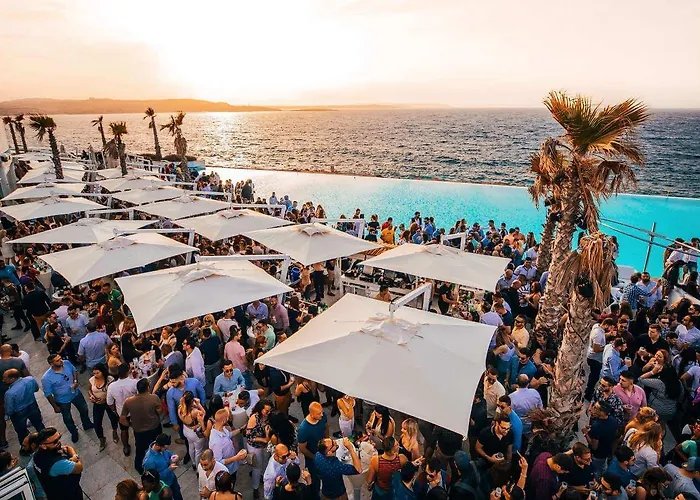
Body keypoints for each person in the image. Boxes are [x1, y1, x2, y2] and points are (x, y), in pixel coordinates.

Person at [40, 354, 93, 443]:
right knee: (67, 417)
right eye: (57, 360)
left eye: (60, 358)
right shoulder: (46, 378)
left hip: (75, 393)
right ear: (51, 364)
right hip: (62, 400)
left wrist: (75, 381)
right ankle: (74, 432)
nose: (61, 361)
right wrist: (55, 406)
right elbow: (48, 394)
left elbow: (74, 371)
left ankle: (87, 424)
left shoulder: (67, 363)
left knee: (84, 409)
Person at [122, 378, 163, 474]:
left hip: (139, 431)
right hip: (154, 428)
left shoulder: (129, 401)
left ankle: (139, 467)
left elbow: (122, 419)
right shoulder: (154, 398)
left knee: (140, 450)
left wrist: (131, 425)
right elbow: (159, 411)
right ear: (147, 387)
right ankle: (158, 463)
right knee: (158, 444)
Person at [32, 427, 84, 500]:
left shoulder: (38, 455)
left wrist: (74, 456)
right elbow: (79, 467)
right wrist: (75, 457)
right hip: (69, 495)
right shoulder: (58, 463)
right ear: (43, 445)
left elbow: (68, 448)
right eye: (55, 441)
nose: (59, 442)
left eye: (59, 437)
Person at [3, 368, 44, 445]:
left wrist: (7, 415)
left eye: (5, 378)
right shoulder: (30, 380)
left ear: (12, 379)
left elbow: (9, 410)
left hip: (19, 412)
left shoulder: (9, 393)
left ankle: (26, 447)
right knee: (39, 424)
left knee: (22, 432)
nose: (3, 380)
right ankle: (46, 439)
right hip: (32, 405)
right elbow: (36, 389)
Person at [0, 343, 29, 448]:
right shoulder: (18, 361)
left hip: (3, 396)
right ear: (11, 351)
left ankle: (3, 440)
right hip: (22, 393)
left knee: (6, 418)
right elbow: (27, 376)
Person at [210, 408, 248, 487]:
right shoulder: (216, 442)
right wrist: (236, 457)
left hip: (232, 467)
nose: (230, 418)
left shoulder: (221, 429)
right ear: (224, 421)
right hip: (227, 471)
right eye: (228, 417)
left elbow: (229, 435)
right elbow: (218, 461)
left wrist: (241, 429)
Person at [297, 401, 328, 497]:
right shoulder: (303, 429)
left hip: (324, 452)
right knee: (315, 479)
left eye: (321, 412)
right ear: (311, 414)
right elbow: (302, 448)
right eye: (319, 413)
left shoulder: (322, 417)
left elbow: (326, 427)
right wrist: (315, 457)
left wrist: (327, 441)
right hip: (312, 458)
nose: (321, 415)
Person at [107, 362, 138, 456]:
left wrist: (115, 411)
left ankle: (125, 447)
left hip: (121, 413)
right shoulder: (134, 383)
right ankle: (139, 444)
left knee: (123, 430)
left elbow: (110, 403)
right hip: (135, 411)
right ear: (128, 371)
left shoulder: (112, 386)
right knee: (137, 429)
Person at [87, 362, 119, 451]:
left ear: (103, 371)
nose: (95, 375)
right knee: (97, 423)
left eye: (98, 373)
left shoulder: (110, 379)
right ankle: (101, 439)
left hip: (109, 403)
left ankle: (115, 432)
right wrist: (91, 396)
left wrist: (105, 398)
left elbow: (114, 391)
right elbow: (89, 389)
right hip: (97, 404)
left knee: (113, 418)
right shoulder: (92, 380)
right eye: (94, 373)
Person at [142, 433, 182, 500]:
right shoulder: (149, 461)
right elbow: (154, 478)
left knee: (178, 495)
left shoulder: (161, 446)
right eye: (165, 448)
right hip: (164, 486)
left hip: (172, 478)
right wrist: (169, 469)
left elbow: (167, 452)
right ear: (158, 446)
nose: (166, 449)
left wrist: (173, 455)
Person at [247, 400, 274, 497]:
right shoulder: (254, 418)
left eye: (270, 410)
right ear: (261, 409)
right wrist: (264, 439)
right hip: (255, 446)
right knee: (257, 467)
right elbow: (249, 436)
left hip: (265, 445)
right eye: (266, 411)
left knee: (266, 462)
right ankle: (255, 487)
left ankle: (263, 477)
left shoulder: (270, 417)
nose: (268, 413)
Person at [584, 401, 619, 477]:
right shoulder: (613, 420)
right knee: (603, 467)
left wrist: (585, 433)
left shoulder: (597, 426)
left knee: (596, 471)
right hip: (607, 451)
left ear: (602, 412)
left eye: (595, 408)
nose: (592, 409)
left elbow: (594, 446)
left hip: (597, 455)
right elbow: (615, 435)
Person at [585, 319, 615, 401]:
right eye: (610, 327)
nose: (610, 329)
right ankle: (588, 393)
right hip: (595, 359)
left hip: (593, 357)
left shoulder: (597, 326)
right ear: (606, 325)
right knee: (593, 377)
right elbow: (596, 349)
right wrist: (607, 347)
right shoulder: (597, 334)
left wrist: (609, 334)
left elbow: (602, 336)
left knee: (593, 376)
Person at [179, 390, 207, 468]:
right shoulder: (194, 412)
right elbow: (204, 413)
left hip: (186, 429)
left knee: (191, 446)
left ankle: (193, 463)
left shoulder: (180, 408)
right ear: (192, 401)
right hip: (195, 433)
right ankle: (198, 467)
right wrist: (198, 403)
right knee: (198, 451)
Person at [200, 327, 222, 397]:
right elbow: (220, 347)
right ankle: (219, 391)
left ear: (203, 335)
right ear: (210, 334)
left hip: (208, 365)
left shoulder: (202, 345)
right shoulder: (216, 339)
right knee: (217, 377)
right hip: (216, 360)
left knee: (209, 381)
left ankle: (211, 394)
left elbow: (203, 357)